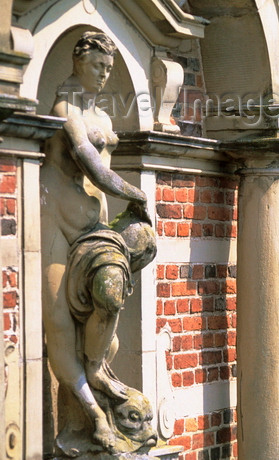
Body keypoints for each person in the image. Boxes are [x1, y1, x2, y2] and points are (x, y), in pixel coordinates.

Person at [41, 32, 149, 451]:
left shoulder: (101, 112)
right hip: (54, 219)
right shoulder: (64, 107)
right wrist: (137, 194)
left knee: (110, 297)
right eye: (98, 66)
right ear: (78, 60)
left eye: (109, 68)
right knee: (60, 326)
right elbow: (89, 162)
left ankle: (99, 371)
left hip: (93, 225)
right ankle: (95, 416)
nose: (104, 75)